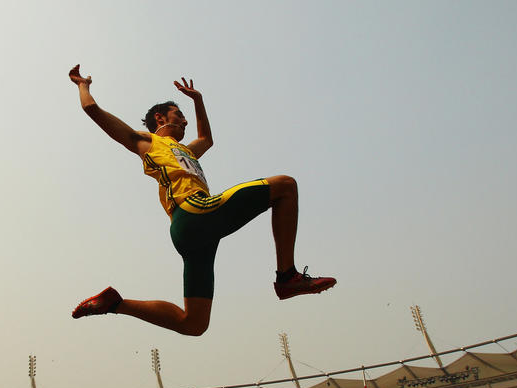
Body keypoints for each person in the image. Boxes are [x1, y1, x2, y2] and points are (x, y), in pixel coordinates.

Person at [67, 65, 336, 336]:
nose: (185, 122)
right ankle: (287, 277)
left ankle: (116, 304)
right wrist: (83, 85)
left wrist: (198, 101)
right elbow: (92, 110)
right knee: (285, 186)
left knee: (194, 324)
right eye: (179, 115)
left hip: (195, 235)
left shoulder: (185, 150)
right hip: (192, 212)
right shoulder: (145, 142)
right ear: (160, 118)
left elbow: (206, 139)